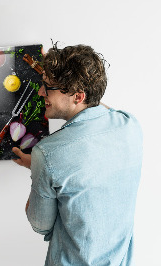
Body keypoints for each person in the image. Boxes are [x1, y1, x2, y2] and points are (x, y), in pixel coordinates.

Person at [12, 44, 143, 265]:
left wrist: (39, 169)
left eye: (47, 87)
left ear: (78, 96)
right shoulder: (130, 125)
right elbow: (96, 107)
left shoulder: (47, 153)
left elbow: (40, 225)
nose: (41, 92)